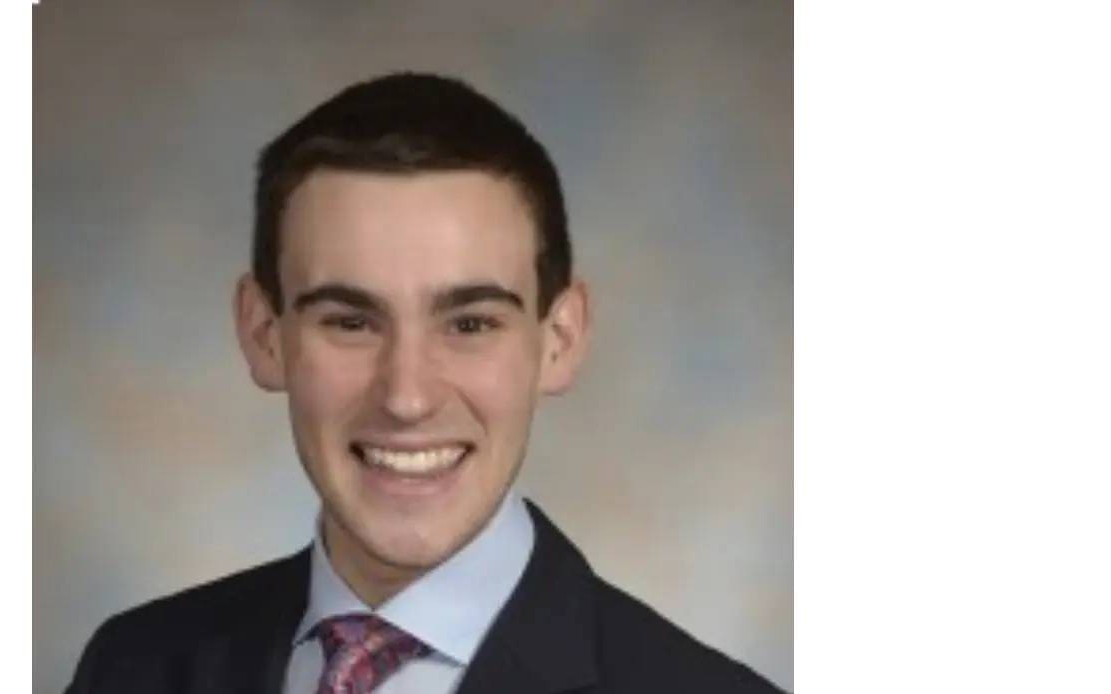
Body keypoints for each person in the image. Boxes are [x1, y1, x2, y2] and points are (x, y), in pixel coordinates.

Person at [65, 72, 785, 694]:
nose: (407, 398)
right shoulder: (134, 667)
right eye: (350, 322)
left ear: (558, 341)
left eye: (470, 324)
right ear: (264, 335)